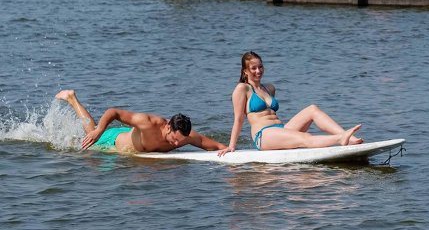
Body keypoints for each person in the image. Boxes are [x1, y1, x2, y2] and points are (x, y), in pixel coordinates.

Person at [218, 51, 363, 156]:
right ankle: (340, 139)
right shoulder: (242, 89)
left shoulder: (269, 88)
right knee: (304, 139)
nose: (258, 71)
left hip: (281, 129)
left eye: (260, 67)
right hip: (263, 136)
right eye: (253, 68)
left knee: (312, 109)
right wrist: (231, 146)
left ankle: (350, 139)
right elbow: (238, 119)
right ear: (245, 71)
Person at [55, 89, 226, 153]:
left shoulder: (184, 134)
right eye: (175, 139)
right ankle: (72, 98)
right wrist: (99, 131)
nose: (176, 144)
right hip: (112, 141)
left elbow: (210, 144)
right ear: (167, 127)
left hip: (130, 146)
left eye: (180, 142)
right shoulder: (148, 122)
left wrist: (228, 150)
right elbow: (113, 112)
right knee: (90, 134)